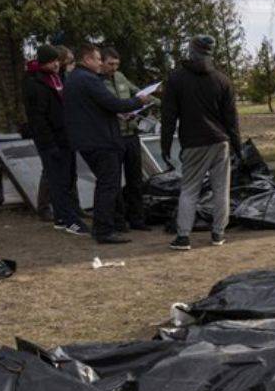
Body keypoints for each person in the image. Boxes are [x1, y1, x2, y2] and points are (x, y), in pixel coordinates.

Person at [161, 35, 242, 251]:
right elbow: (232, 118)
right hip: (220, 142)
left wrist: (165, 147)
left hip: (194, 143)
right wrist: (237, 146)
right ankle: (218, 233)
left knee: (189, 190)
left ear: (191, 51)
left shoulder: (176, 79)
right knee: (221, 189)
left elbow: (168, 117)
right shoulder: (222, 80)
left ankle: (183, 237)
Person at [64, 43, 151, 244]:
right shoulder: (89, 79)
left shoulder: (74, 80)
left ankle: (109, 226)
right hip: (101, 141)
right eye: (97, 59)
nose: (100, 63)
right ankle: (104, 230)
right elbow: (113, 103)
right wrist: (140, 102)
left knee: (107, 184)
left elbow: (98, 108)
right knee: (108, 185)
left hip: (88, 140)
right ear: (87, 60)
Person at [23, 44, 86, 235]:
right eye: (52, 61)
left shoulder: (57, 79)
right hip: (51, 140)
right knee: (57, 181)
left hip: (65, 136)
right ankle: (68, 219)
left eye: (57, 61)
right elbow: (38, 117)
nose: (56, 64)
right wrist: (49, 143)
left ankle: (62, 216)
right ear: (43, 62)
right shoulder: (35, 83)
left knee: (66, 178)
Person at [101, 47, 154, 230]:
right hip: (112, 137)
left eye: (116, 64)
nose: (114, 67)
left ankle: (137, 219)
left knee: (135, 180)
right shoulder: (95, 82)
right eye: (110, 64)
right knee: (113, 182)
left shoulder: (121, 77)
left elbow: (137, 93)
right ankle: (118, 221)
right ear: (101, 62)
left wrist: (149, 99)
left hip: (131, 134)